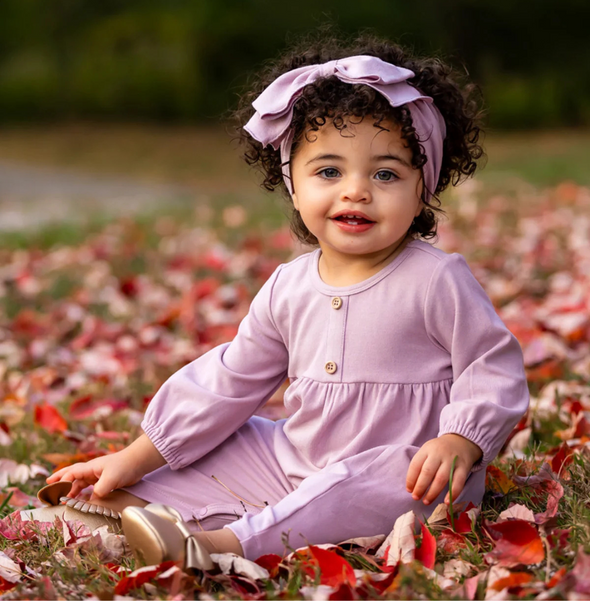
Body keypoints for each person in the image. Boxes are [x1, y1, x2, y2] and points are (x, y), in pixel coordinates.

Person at [39, 32, 529, 569]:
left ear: (423, 190)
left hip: (413, 477)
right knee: (236, 435)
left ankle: (222, 546)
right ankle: (125, 505)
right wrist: (133, 460)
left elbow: (492, 365)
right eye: (328, 171)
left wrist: (462, 439)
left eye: (385, 173)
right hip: (294, 464)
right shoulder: (288, 287)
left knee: (372, 481)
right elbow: (228, 384)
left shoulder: (435, 279)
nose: (356, 191)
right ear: (293, 183)